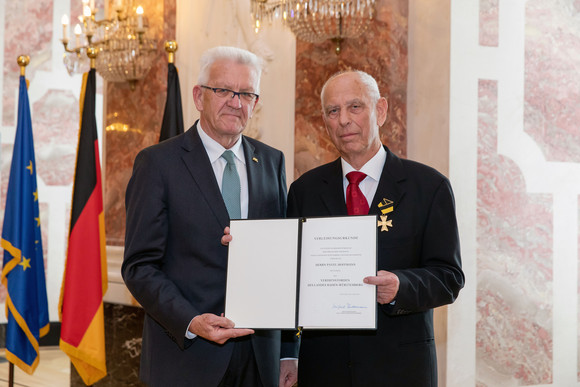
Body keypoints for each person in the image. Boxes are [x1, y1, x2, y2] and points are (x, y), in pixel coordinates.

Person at [122, 46, 298, 387]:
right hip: (186, 357)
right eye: (223, 90)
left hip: (259, 358)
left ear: (255, 103)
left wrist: (288, 351)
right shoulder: (158, 163)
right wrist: (191, 321)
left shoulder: (272, 162)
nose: (236, 101)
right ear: (199, 96)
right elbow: (139, 266)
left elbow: (284, 259)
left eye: (246, 93)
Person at [287, 70, 465, 386]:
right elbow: (291, 277)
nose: (343, 120)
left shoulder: (429, 187)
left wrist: (402, 286)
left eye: (355, 107)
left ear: (380, 111)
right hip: (324, 369)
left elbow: (449, 277)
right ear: (325, 121)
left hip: (400, 369)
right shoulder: (305, 191)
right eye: (333, 110)